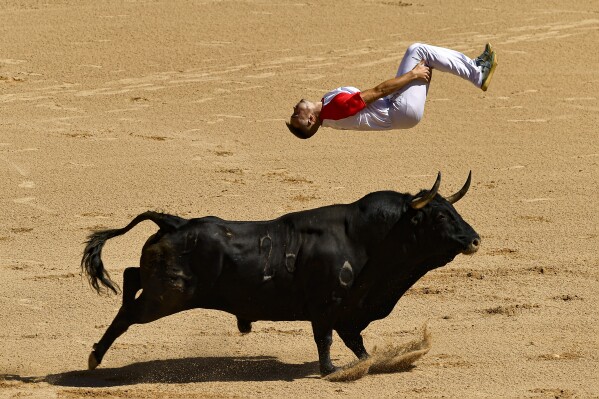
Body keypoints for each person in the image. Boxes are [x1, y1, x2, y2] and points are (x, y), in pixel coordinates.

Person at [286, 42, 497, 139]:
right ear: (311, 120)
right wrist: (412, 75)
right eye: (297, 115)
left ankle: (474, 67)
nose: (295, 108)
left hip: (397, 110)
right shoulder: (335, 110)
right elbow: (378, 91)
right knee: (418, 51)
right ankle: (477, 73)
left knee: (422, 54)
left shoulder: (328, 104)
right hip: (400, 110)